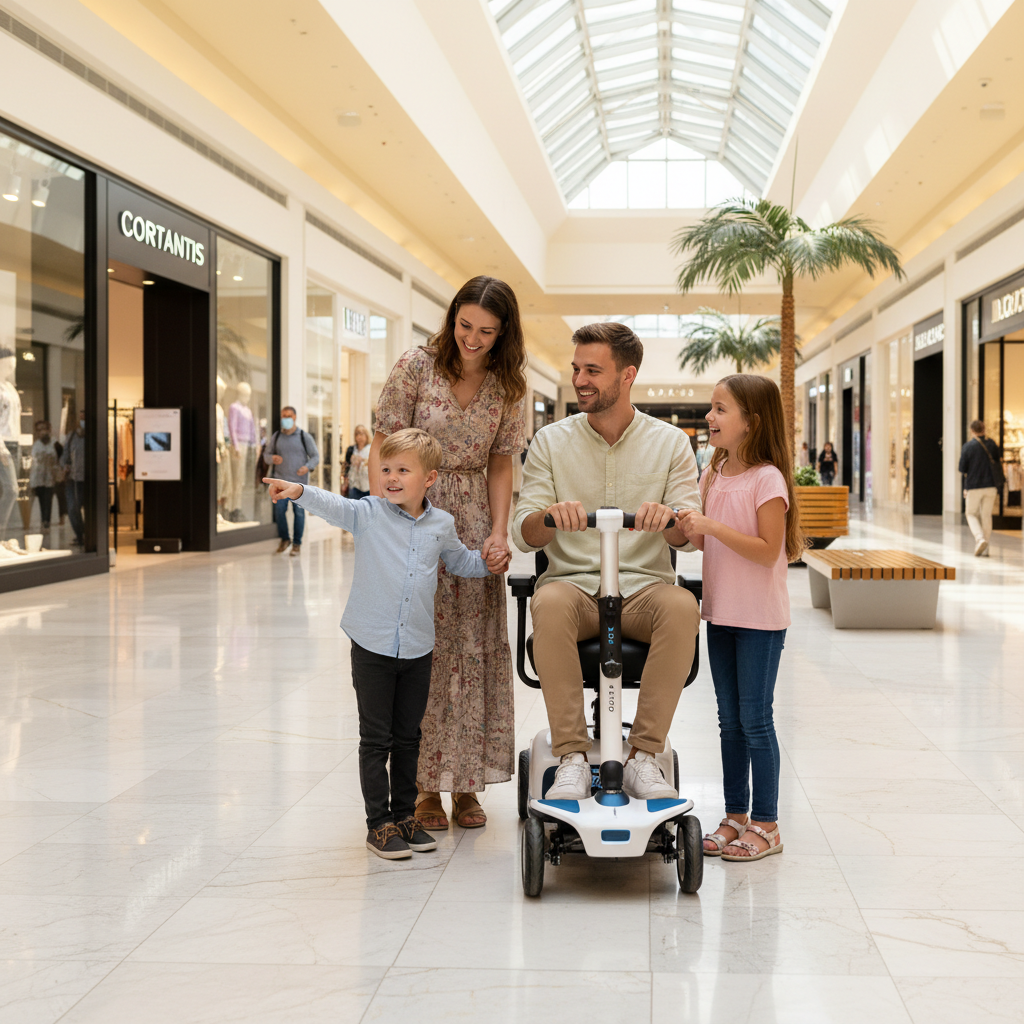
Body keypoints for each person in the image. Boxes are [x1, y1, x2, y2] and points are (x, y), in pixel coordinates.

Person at [264, 428, 507, 859]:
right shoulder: (369, 513)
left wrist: (490, 562)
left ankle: (404, 817)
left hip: (417, 647)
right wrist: (299, 490)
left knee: (409, 738)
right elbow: (332, 504)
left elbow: (462, 562)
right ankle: (378, 825)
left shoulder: (442, 524)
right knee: (376, 740)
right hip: (373, 646)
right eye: (386, 469)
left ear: (428, 478)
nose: (391, 478)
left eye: (402, 470)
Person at [512, 322, 701, 801]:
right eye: (577, 369)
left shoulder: (672, 443)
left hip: (642, 591)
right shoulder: (550, 443)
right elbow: (524, 531)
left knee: (682, 606)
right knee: (548, 601)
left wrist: (669, 519)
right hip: (574, 589)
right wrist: (550, 518)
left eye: (593, 370)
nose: (580, 380)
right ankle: (572, 756)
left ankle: (642, 757)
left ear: (627, 375)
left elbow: (689, 536)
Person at [371, 275, 526, 830]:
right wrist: (389, 516)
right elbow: (385, 446)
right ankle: (421, 788)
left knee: (473, 649)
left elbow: (503, 461)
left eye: (486, 331)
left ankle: (466, 784)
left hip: (475, 521)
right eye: (465, 326)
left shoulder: (509, 386)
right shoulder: (417, 366)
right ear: (451, 317)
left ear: (503, 332)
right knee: (421, 653)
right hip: (417, 513)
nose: (473, 339)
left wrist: (499, 532)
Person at [677, 374, 803, 863]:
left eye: (720, 409)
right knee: (729, 721)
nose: (710, 417)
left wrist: (711, 525)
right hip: (721, 612)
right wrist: (683, 526)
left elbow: (770, 549)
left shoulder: (767, 478)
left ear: (751, 422)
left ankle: (767, 823)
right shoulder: (714, 472)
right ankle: (735, 816)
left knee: (755, 720)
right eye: (712, 408)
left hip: (760, 620)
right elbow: (703, 542)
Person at [265, 405, 319, 556]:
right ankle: (284, 539)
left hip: (298, 484)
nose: (286, 419)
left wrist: (307, 467)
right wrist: (272, 458)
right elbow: (266, 455)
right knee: (279, 512)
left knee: (299, 514)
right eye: (284, 416)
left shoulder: (303, 436)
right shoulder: (276, 437)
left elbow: (315, 456)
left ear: (295, 417)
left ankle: (297, 544)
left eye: (289, 416)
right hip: (280, 484)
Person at [959, 419, 1003, 557]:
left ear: (972, 431)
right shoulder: (992, 445)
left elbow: (962, 468)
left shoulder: (968, 447)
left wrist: (965, 487)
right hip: (991, 486)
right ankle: (986, 548)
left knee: (971, 513)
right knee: (986, 516)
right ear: (984, 429)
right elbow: (998, 460)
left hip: (974, 485)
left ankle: (980, 538)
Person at [61, 411, 87, 547]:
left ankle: (89, 535)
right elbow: (65, 454)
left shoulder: (96, 435)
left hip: (89, 479)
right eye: (81, 415)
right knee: (72, 508)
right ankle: (80, 534)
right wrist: (65, 466)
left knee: (91, 509)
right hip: (73, 478)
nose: (82, 418)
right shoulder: (71, 436)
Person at [29, 421, 60, 530]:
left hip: (51, 478)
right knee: (40, 500)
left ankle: (48, 520)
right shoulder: (36, 445)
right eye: (39, 430)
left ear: (48, 430)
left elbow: (60, 460)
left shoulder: (55, 444)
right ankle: (41, 521)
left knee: (48, 499)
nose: (42, 432)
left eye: (44, 429)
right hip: (38, 478)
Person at [345, 425, 372, 500]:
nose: (359, 436)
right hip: (354, 484)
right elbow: (346, 466)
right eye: (357, 434)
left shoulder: (372, 449)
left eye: (362, 434)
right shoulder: (351, 450)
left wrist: (363, 460)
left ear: (367, 435)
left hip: (368, 485)